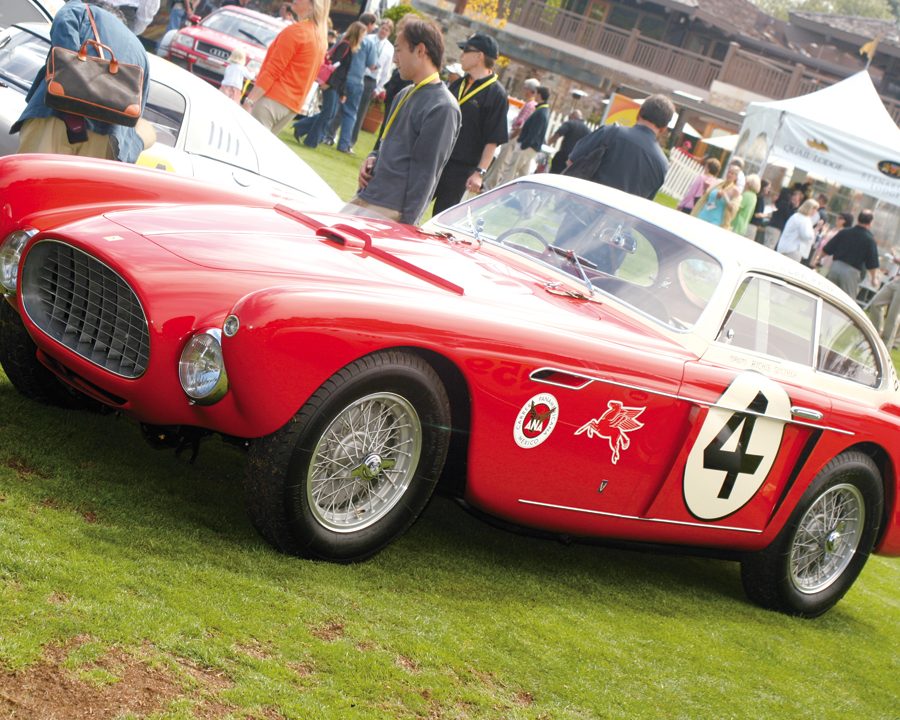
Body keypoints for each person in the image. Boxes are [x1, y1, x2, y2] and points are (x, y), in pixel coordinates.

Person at [344, 16, 460, 225]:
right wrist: (372, 157)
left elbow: (426, 174)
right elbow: (385, 143)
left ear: (420, 50)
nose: (395, 59)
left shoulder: (443, 107)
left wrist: (406, 227)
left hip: (390, 211)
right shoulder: (405, 92)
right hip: (367, 196)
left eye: (399, 50)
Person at [12, 0, 153, 164]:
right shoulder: (141, 51)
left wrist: (75, 71)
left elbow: (64, 37)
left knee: (32, 183)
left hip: (54, 119)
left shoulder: (80, 10)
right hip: (105, 141)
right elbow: (135, 116)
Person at [432, 32, 508, 214]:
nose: (461, 56)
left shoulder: (497, 94)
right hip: (436, 158)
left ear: (479, 56)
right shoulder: (458, 84)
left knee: (441, 216)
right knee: (411, 207)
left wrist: (479, 173)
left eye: (466, 51)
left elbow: (493, 139)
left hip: (461, 168)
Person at [242, 0, 328, 134]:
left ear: (313, 5)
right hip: (292, 105)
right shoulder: (320, 37)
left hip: (272, 99)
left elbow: (273, 70)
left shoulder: (297, 32)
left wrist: (250, 100)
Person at [565, 93, 675, 200]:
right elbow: (645, 202)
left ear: (639, 113)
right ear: (664, 128)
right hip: (619, 217)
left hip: (582, 208)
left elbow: (571, 161)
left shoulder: (610, 132)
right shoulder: (662, 164)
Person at [292, 21, 366, 148]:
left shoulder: (347, 47)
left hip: (335, 85)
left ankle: (301, 127)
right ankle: (310, 140)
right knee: (328, 113)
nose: (364, 37)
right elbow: (334, 66)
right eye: (363, 34)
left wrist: (343, 92)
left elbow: (342, 71)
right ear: (358, 34)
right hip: (330, 84)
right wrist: (327, 83)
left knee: (329, 113)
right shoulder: (344, 46)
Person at [485, 77, 539, 186]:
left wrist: (512, 136)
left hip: (515, 136)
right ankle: (489, 182)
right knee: (501, 161)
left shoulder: (530, 105)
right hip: (515, 135)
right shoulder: (530, 104)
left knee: (502, 162)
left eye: (525, 88)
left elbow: (522, 124)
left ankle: (490, 184)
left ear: (530, 90)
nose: (523, 90)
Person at [350, 18, 394, 149]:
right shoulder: (368, 38)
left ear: (389, 33)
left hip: (372, 82)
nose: (383, 31)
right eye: (382, 28)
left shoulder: (389, 48)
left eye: (386, 29)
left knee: (361, 112)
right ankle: (331, 134)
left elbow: (386, 70)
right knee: (347, 106)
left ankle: (351, 142)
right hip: (360, 76)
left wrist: (379, 88)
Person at [823, 209, 880, 300]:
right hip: (851, 273)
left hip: (835, 267)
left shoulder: (844, 232)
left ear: (858, 219)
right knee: (846, 301)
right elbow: (872, 263)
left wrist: (817, 259)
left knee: (826, 295)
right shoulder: (869, 239)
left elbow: (827, 249)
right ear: (870, 223)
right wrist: (874, 278)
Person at [502, 85, 550, 182]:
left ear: (539, 95)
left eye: (536, 93)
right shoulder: (542, 110)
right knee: (524, 175)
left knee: (510, 171)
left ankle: (501, 192)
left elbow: (535, 132)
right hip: (531, 148)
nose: (535, 96)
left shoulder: (541, 112)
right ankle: (527, 197)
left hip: (527, 147)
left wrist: (523, 145)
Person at [693, 162, 741, 228]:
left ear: (736, 177)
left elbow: (733, 209)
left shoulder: (735, 190)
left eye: (732, 173)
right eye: (729, 172)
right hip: (704, 213)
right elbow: (707, 197)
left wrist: (725, 196)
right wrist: (705, 189)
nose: (729, 174)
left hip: (715, 220)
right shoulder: (719, 182)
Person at [866, 260, 900, 348]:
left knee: (893, 316)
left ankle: (885, 347)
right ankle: (876, 335)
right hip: (896, 280)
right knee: (875, 303)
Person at [775, 198, 819, 262]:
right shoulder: (805, 219)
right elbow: (806, 236)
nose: (815, 212)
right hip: (793, 250)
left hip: (783, 247)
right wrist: (814, 233)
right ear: (809, 208)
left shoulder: (795, 216)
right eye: (814, 209)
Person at [548, 109, 589, 174]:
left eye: (569, 117)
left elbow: (557, 134)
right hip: (576, 161)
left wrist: (549, 143)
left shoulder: (570, 123)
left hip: (564, 156)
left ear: (572, 116)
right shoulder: (587, 130)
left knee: (554, 174)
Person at [764, 185, 803, 249]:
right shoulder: (785, 205)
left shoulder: (780, 203)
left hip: (771, 225)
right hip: (776, 228)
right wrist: (794, 207)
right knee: (769, 247)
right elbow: (789, 217)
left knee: (767, 245)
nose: (792, 198)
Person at [731, 174, 761, 238]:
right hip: (743, 225)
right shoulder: (754, 197)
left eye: (746, 182)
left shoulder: (746, 195)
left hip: (736, 223)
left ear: (749, 184)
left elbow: (736, 207)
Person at [748, 177, 771, 243]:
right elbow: (757, 214)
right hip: (752, 225)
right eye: (768, 187)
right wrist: (767, 215)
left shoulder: (757, 196)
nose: (769, 190)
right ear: (764, 187)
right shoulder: (760, 198)